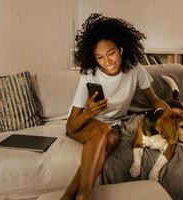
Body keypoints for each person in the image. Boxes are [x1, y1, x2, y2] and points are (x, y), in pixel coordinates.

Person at [60, 13, 169, 200]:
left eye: (111, 53)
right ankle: (85, 193)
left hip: (114, 126)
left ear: (120, 48)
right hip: (84, 124)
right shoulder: (90, 74)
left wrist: (171, 113)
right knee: (103, 129)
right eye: (100, 57)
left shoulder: (134, 69)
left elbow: (154, 100)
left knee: (111, 138)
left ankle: (70, 194)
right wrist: (89, 112)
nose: (107, 61)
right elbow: (71, 126)